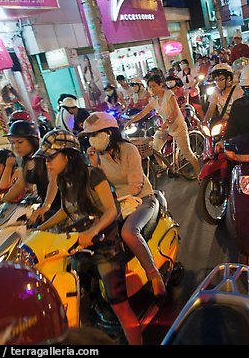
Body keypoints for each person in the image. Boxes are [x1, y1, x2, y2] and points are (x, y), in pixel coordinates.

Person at [33, 129, 143, 345]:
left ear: (69, 155)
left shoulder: (94, 175)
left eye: (51, 157)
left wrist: (92, 231)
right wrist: (40, 230)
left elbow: (112, 211)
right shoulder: (64, 180)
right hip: (78, 247)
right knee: (76, 295)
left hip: (105, 249)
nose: (47, 163)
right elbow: (66, 210)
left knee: (119, 304)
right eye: (46, 158)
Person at [80, 112, 168, 302]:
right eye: (89, 136)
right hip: (120, 202)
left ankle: (155, 277)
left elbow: (135, 186)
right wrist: (93, 165)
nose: (92, 140)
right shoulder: (99, 156)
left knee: (129, 232)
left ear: (110, 133)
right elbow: (98, 186)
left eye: (96, 134)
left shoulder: (129, 150)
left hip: (143, 198)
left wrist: (111, 202)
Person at [124, 74, 201, 179]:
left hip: (178, 126)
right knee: (154, 148)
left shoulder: (168, 94)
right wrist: (130, 121)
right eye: (150, 87)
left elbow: (175, 110)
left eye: (154, 86)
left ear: (161, 85)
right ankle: (165, 167)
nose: (152, 89)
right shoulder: (154, 100)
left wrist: (167, 122)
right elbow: (143, 113)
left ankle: (199, 175)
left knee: (187, 153)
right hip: (166, 128)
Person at [0, 120, 60, 225]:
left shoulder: (45, 158)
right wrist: (1, 202)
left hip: (59, 205)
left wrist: (46, 205)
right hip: (45, 206)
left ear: (33, 141)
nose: (15, 146)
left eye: (20, 142)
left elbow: (53, 182)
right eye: (12, 143)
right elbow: (19, 185)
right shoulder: (25, 160)